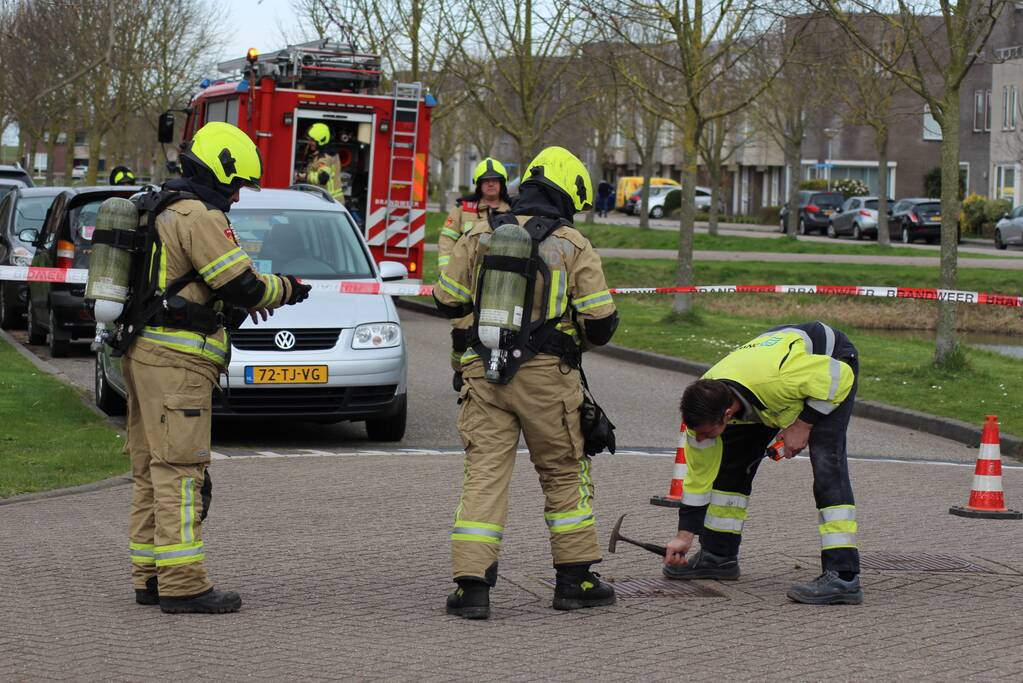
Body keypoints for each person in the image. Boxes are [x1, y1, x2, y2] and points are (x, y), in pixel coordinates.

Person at [125, 121, 311, 614]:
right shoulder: (198, 215)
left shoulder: (157, 207)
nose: (237, 196)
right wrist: (288, 288)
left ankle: (150, 575)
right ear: (220, 171)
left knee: (150, 468)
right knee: (181, 471)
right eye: (237, 185)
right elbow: (243, 286)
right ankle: (184, 584)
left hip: (144, 353)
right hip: (179, 362)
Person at [434, 146, 620, 619]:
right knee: (562, 472)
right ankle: (574, 579)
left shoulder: (480, 232)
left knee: (484, 475)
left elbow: (447, 301)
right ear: (566, 193)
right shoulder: (573, 244)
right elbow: (600, 324)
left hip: (484, 373)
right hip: (546, 381)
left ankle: (471, 588)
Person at [662, 321, 862, 605]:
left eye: (707, 432)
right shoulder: (705, 402)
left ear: (728, 414)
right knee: (730, 466)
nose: (701, 438)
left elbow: (839, 376)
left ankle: (843, 577)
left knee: (827, 465)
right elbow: (698, 477)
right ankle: (718, 557)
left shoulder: (777, 382)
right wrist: (684, 536)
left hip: (828, 366)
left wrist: (804, 423)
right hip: (763, 383)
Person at [437, 157, 512, 390]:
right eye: (486, 181)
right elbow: (447, 240)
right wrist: (449, 272)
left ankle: (493, 373)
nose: (491, 185)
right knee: (462, 333)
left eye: (495, 181)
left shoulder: (514, 211)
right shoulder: (463, 209)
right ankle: (459, 371)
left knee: (499, 333)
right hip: (467, 284)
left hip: (499, 285)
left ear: (502, 184)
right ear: (478, 184)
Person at [296, 122, 344, 204]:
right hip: (331, 200)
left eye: (312, 140)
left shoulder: (324, 157)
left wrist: (305, 176)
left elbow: (323, 178)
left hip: (328, 200)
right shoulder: (328, 152)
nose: (309, 143)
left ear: (321, 140)